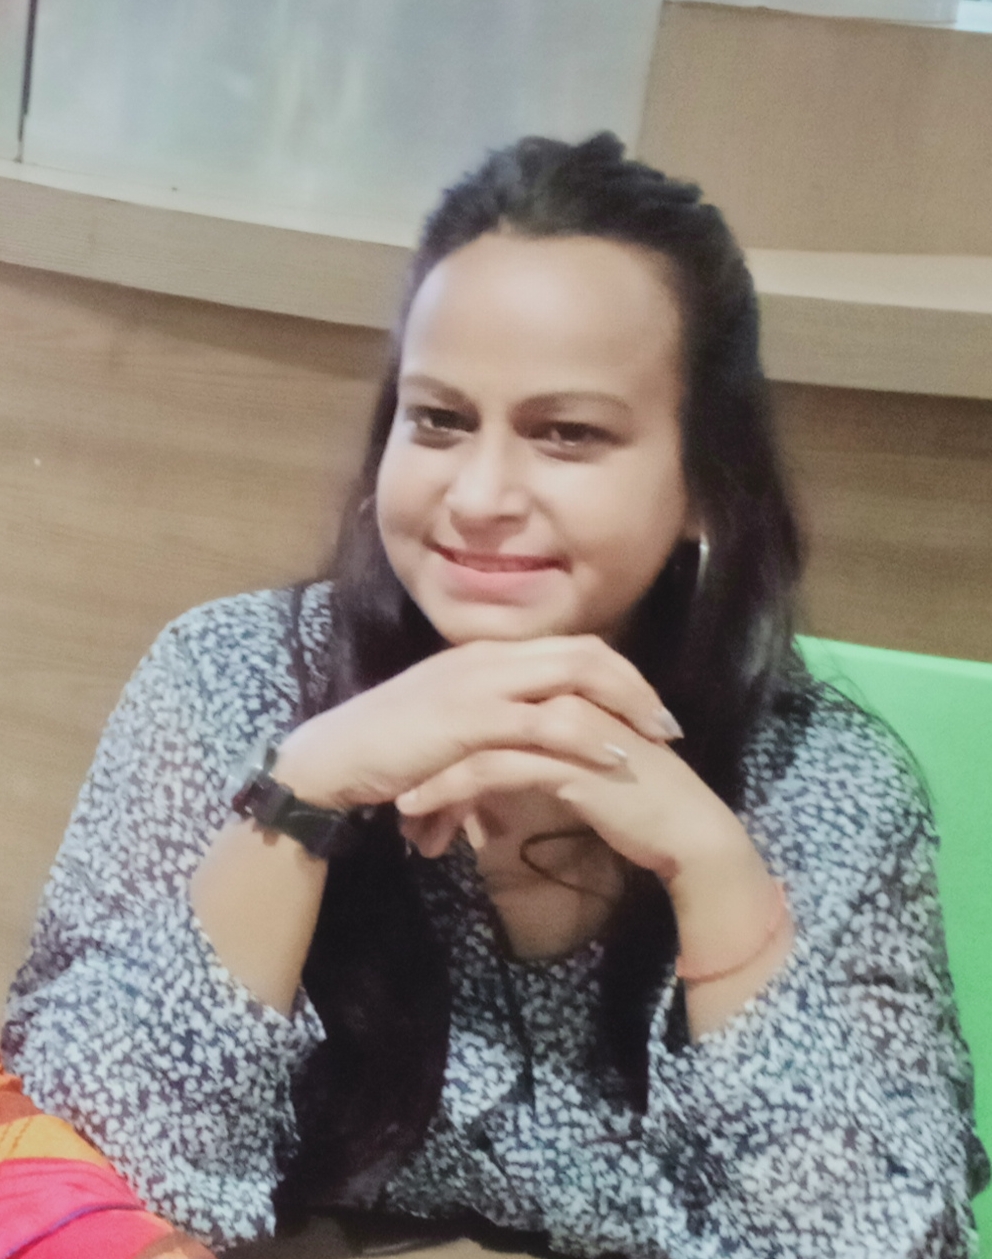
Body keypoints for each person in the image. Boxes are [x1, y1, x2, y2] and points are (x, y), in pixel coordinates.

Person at [2, 133, 987, 1257]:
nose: (478, 494)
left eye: (568, 433)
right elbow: (84, 1169)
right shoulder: (229, 678)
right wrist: (300, 798)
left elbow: (879, 1242)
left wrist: (717, 879)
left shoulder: (819, 787)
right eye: (439, 419)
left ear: (705, 487)